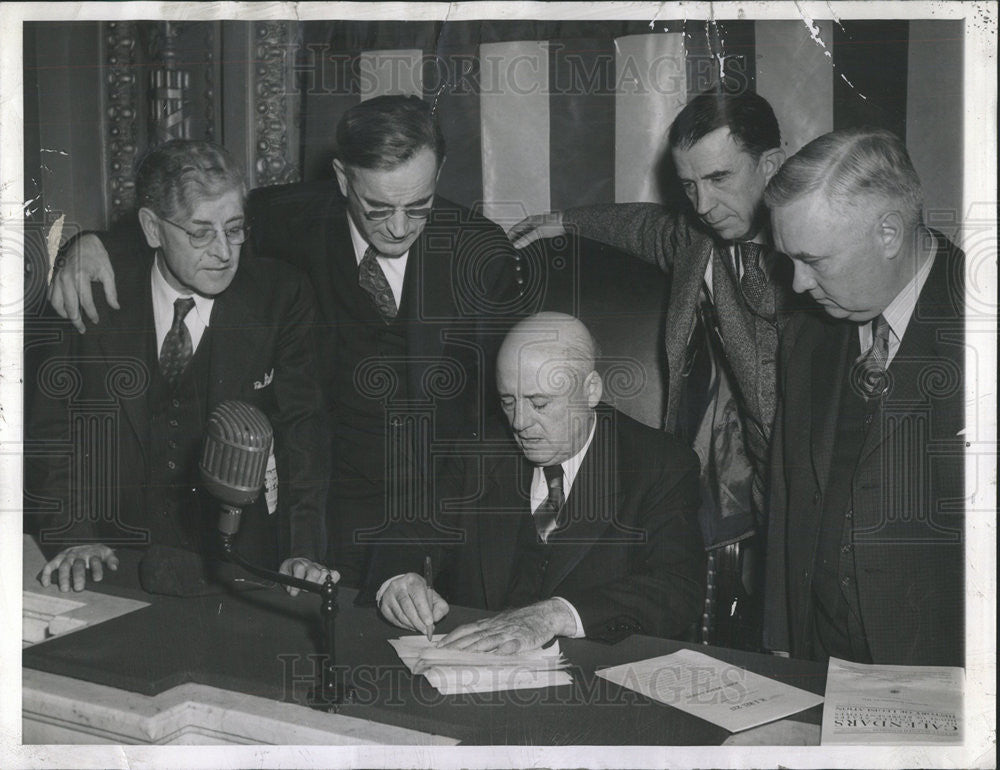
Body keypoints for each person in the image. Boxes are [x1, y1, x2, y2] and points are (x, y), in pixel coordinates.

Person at [46, 95, 522, 587]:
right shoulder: (289, 220)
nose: (399, 228)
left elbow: (488, 429)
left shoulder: (479, 256)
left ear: (438, 174)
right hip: (329, 505)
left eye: (418, 206)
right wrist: (89, 247)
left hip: (435, 506)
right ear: (342, 180)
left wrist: (424, 544)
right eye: (377, 208)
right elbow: (189, 230)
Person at [508, 90, 793, 648]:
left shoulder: (810, 259)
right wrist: (563, 220)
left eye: (718, 178)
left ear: (772, 166)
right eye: (689, 185)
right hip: (724, 487)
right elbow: (645, 226)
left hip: (799, 487)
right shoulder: (698, 235)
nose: (703, 203)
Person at [27, 139, 332, 595]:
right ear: (152, 228)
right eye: (200, 232)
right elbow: (52, 435)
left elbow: (302, 435)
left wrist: (303, 551)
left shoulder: (281, 296)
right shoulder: (89, 289)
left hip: (241, 568)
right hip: (109, 561)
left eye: (234, 228)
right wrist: (72, 537)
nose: (224, 252)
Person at [365, 312, 705, 652]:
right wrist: (396, 580)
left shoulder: (659, 465)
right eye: (508, 401)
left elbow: (678, 587)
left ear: (590, 391)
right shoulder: (480, 450)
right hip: (474, 672)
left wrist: (556, 615)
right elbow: (409, 529)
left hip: (588, 681)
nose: (519, 423)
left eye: (539, 403)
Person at [764, 127, 965, 667]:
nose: (799, 284)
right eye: (789, 260)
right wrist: (781, 640)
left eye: (814, 259)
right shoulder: (807, 334)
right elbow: (787, 494)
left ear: (888, 233)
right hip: (821, 660)